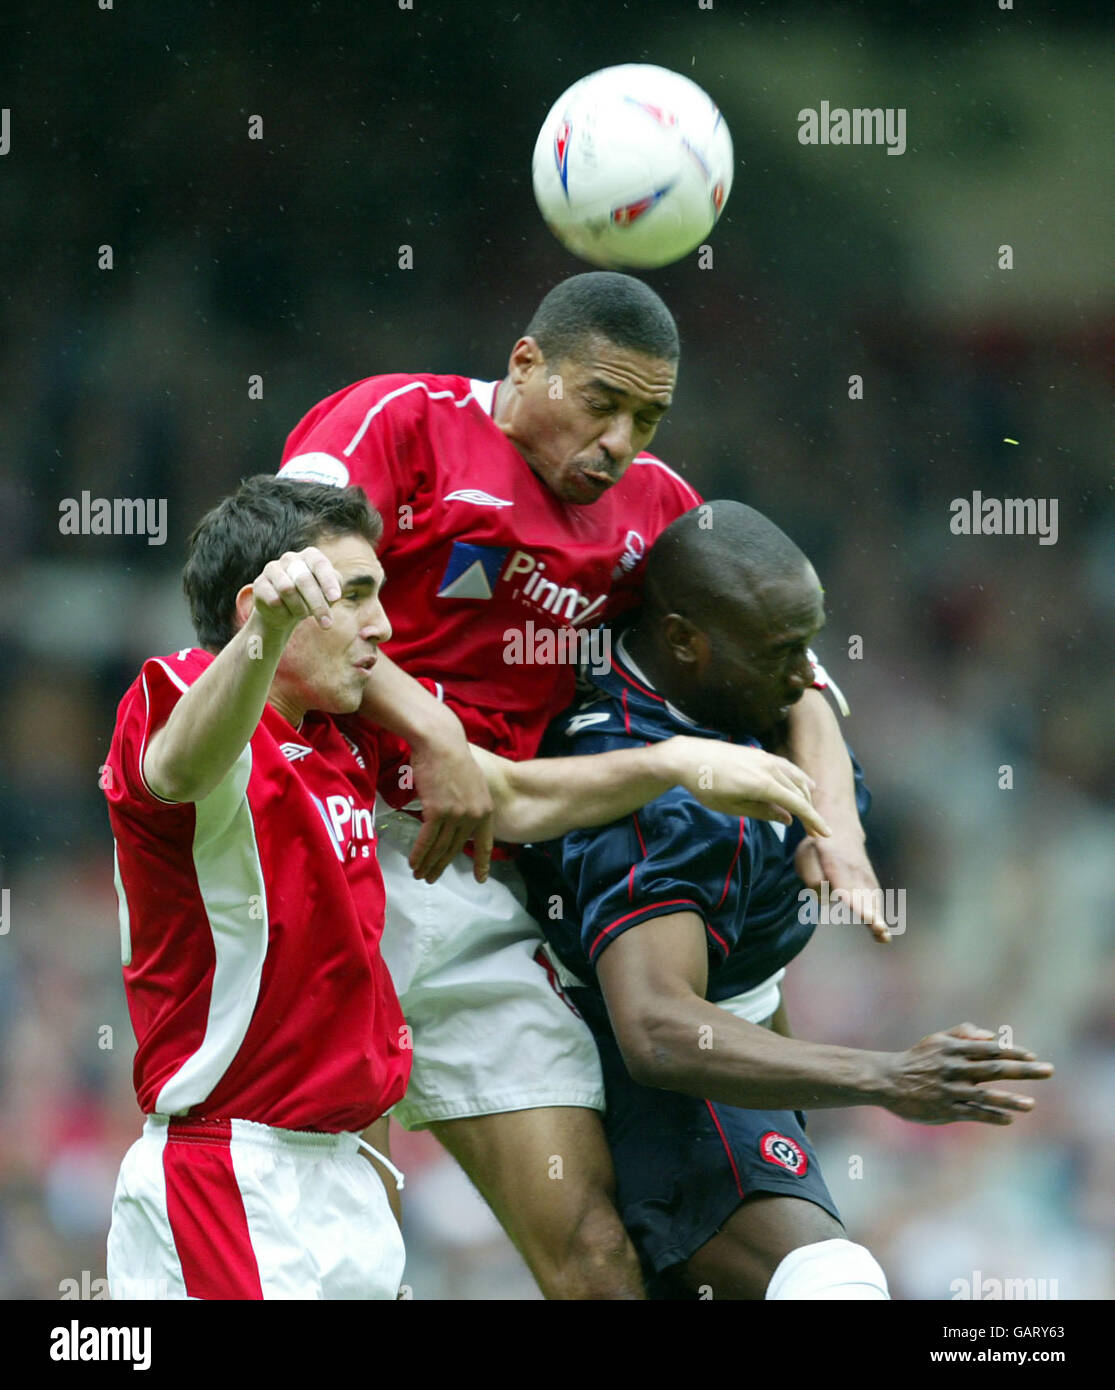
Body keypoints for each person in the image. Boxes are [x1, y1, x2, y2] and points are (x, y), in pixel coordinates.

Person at [277, 272, 878, 1298]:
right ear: (524, 364)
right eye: (601, 403)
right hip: (312, 833)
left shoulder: (655, 510)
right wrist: (431, 729)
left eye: (646, 417)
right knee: (298, 1234)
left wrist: (839, 829)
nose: (620, 441)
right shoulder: (398, 422)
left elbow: (793, 670)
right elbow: (282, 573)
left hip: (467, 878)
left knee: (597, 1254)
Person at [103, 475, 825, 1300]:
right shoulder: (174, 697)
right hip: (231, 1173)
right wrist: (262, 634)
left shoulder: (346, 742)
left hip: (338, 1180)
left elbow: (512, 795)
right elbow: (183, 764)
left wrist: (678, 765)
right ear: (265, 602)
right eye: (357, 595)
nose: (383, 624)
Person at [522, 500, 1055, 1300]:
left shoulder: (730, 689)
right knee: (832, 1284)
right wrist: (888, 1077)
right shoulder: (646, 793)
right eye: (782, 651)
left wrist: (835, 824)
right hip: (672, 1092)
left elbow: (807, 705)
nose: (807, 672)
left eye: (808, 640)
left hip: (743, 1048)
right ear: (683, 641)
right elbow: (657, 1030)